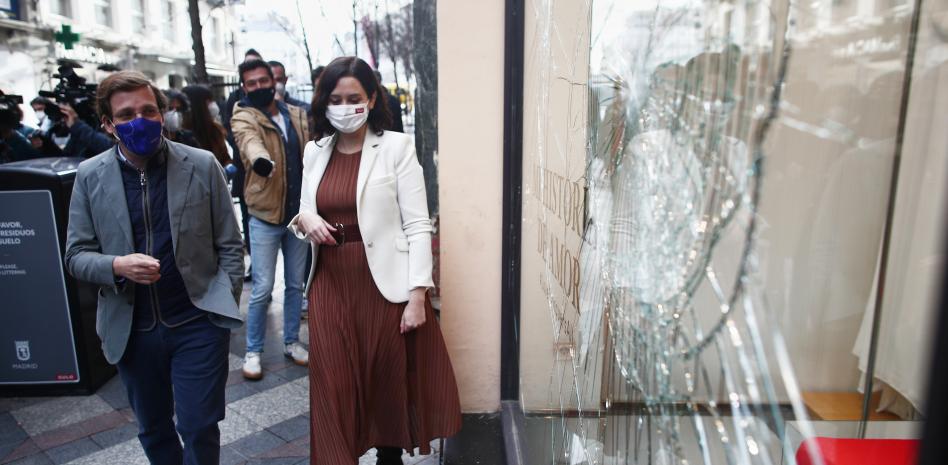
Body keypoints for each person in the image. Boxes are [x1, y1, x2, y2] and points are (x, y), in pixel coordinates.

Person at [63, 71, 243, 465]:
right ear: (109, 126)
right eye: (125, 115)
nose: (139, 120)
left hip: (197, 322)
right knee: (153, 427)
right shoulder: (90, 175)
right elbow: (75, 255)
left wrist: (222, 302)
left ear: (163, 113)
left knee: (199, 425)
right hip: (132, 329)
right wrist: (116, 265)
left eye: (148, 110)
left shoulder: (202, 164)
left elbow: (230, 243)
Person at [290, 56, 461, 465]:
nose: (345, 106)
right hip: (330, 281)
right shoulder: (315, 151)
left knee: (385, 380)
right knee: (332, 385)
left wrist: (418, 294)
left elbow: (419, 224)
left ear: (371, 99)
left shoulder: (396, 147)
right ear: (323, 102)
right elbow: (301, 214)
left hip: (383, 284)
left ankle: (389, 457)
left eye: (354, 98)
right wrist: (306, 220)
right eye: (336, 98)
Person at [231, 59, 311, 378]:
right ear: (243, 87)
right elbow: (249, 143)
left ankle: (292, 342)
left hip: (298, 214)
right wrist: (261, 162)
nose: (259, 87)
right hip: (264, 215)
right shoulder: (244, 115)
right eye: (251, 83)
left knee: (295, 284)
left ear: (274, 81)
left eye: (264, 80)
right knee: (263, 287)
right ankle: (253, 351)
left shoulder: (297, 114)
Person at [181, 85, 233, 172]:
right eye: (209, 101)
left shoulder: (216, 129)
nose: (213, 105)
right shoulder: (180, 134)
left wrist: (228, 167)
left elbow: (225, 157)